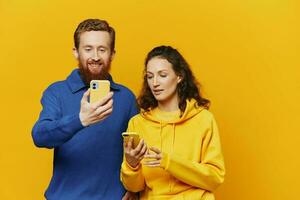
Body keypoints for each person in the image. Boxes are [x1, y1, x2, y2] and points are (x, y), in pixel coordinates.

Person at [32, 19, 138, 200]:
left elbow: (137, 151)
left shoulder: (126, 97)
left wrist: (134, 190)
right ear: (76, 52)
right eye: (88, 49)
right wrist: (81, 120)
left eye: (102, 49)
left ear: (112, 54)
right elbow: (40, 136)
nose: (95, 56)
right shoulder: (56, 92)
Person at [120, 46, 225, 199]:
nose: (155, 83)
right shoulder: (138, 123)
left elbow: (215, 178)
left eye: (162, 75)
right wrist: (131, 164)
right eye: (150, 76)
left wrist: (168, 162)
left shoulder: (203, 120)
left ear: (179, 76)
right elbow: (135, 187)